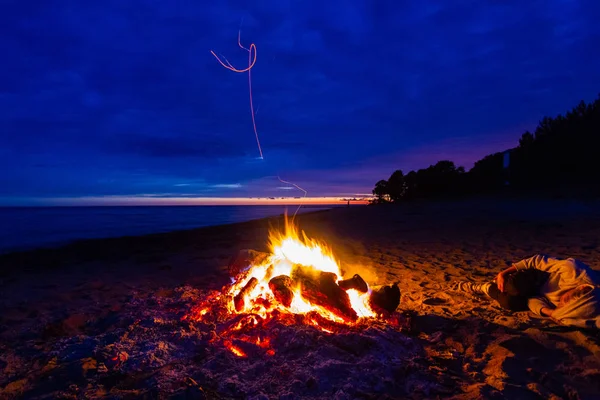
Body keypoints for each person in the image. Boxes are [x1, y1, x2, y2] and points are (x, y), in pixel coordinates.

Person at [453, 254, 600, 329]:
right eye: (567, 299)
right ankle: (494, 283)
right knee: (515, 287)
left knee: (510, 303)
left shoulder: (573, 309)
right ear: (580, 288)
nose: (562, 302)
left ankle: (485, 288)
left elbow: (533, 300)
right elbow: (536, 260)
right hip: (536, 276)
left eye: (565, 306)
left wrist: (548, 312)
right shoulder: (575, 272)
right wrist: (503, 274)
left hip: (537, 291)